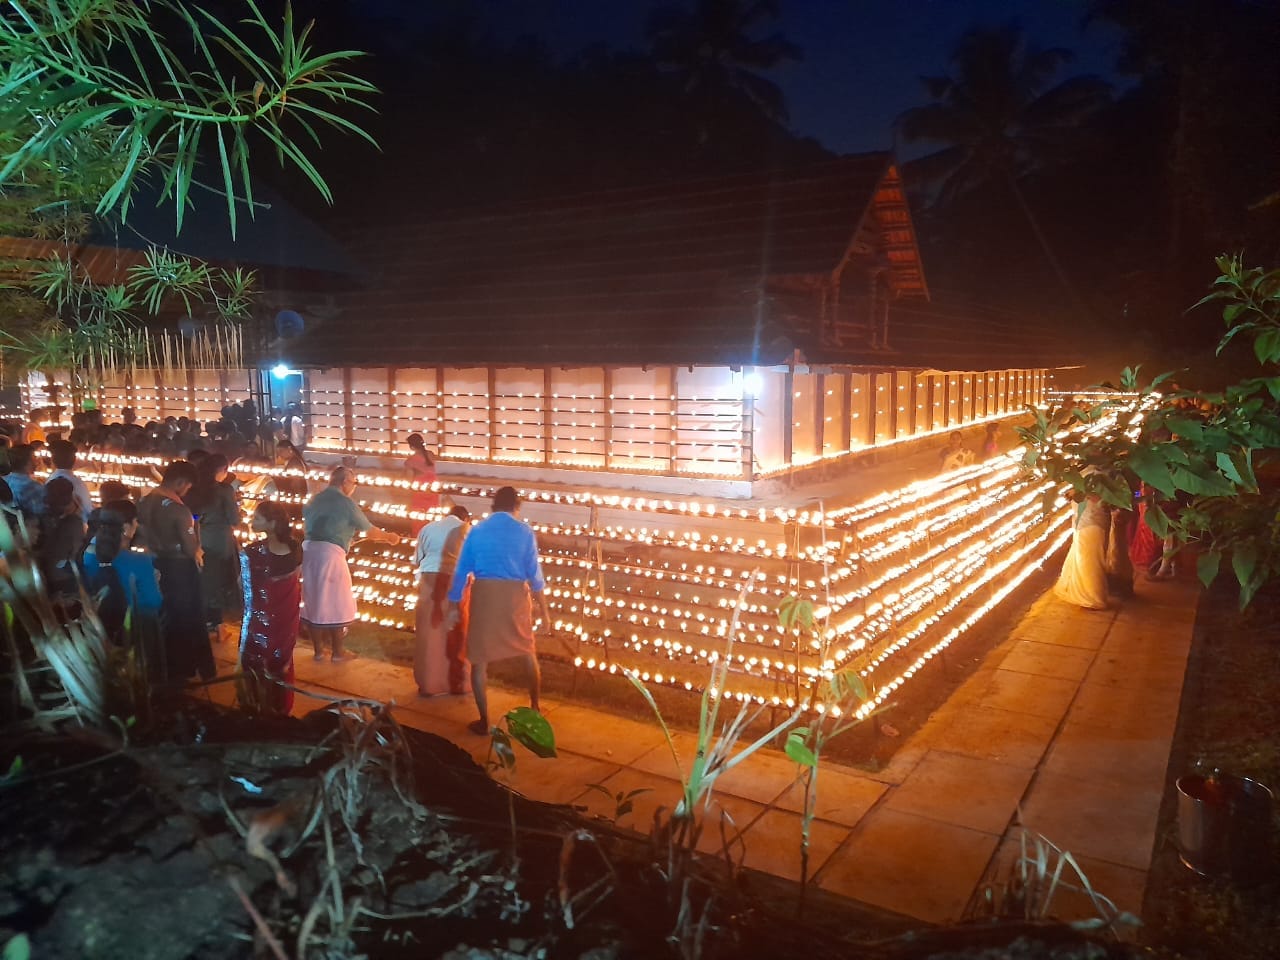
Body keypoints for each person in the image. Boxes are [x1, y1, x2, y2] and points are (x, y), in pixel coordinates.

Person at [446, 486, 551, 735]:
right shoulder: (524, 532)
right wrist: (544, 611)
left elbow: (461, 570)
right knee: (527, 650)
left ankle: (484, 721)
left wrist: (453, 604)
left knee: (479, 660)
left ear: (493, 506)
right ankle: (535, 706)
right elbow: (534, 575)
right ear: (516, 506)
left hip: (485, 597)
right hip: (514, 597)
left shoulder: (478, 530)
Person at [301, 466, 401, 662]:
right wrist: (389, 537)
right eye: (354, 483)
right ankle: (338, 652)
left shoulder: (314, 499)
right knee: (337, 601)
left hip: (310, 553)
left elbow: (321, 525)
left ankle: (319, 652)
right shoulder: (346, 503)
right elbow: (370, 531)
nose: (354, 487)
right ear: (345, 482)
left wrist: (345, 537)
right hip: (330, 557)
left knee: (313, 600)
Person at [137, 460, 215, 682]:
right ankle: (185, 667)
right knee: (186, 618)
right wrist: (198, 541)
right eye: (188, 486)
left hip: (154, 564)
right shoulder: (178, 510)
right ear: (181, 481)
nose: (187, 491)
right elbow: (191, 548)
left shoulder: (144, 500)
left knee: (165, 616)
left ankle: (165, 666)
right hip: (180, 569)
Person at [238, 500, 302, 716]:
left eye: (257, 518)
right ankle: (280, 707)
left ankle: (256, 707)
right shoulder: (295, 548)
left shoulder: (252, 552)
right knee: (280, 662)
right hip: (287, 621)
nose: (251, 521)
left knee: (255, 660)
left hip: (260, 622)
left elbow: (244, 588)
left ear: (272, 523)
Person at [82, 500, 163, 670]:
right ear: (126, 528)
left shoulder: (87, 554)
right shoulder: (140, 561)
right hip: (131, 631)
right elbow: (153, 601)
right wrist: (154, 581)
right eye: (135, 522)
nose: (137, 525)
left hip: (96, 629)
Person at [413, 505, 471, 697]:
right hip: (455, 580)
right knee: (456, 632)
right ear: (465, 518)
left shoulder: (428, 528)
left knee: (429, 633)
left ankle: (428, 684)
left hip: (429, 578)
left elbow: (418, 559)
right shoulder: (467, 529)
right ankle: (456, 683)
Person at [187, 453, 241, 632]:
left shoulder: (194, 488)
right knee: (218, 581)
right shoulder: (225, 490)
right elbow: (234, 519)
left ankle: (205, 618)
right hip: (220, 540)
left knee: (204, 579)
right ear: (223, 470)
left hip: (198, 539)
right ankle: (216, 621)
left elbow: (193, 515)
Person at [1055, 495, 1111, 610]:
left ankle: (1093, 598)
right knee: (1084, 558)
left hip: (1091, 521)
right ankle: (1089, 594)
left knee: (1088, 562)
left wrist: (1080, 493)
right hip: (1084, 519)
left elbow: (1101, 498)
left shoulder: (1100, 478)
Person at [37, 477, 86, 600]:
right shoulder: (74, 523)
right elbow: (77, 553)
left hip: (42, 577)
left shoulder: (39, 518)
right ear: (69, 498)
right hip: (65, 580)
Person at [48, 440, 93, 520]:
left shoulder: (51, 480)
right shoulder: (78, 483)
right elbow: (88, 511)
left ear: (52, 459)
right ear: (74, 460)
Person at [404, 433, 439, 533]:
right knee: (432, 513)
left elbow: (408, 479)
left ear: (412, 446)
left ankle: (419, 535)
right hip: (433, 487)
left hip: (420, 489)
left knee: (419, 514)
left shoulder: (410, 461)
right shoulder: (431, 454)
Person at [5, 444, 44, 523]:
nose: (38, 461)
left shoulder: (3, 481)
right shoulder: (34, 487)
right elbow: (42, 513)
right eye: (35, 458)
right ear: (29, 462)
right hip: (29, 529)